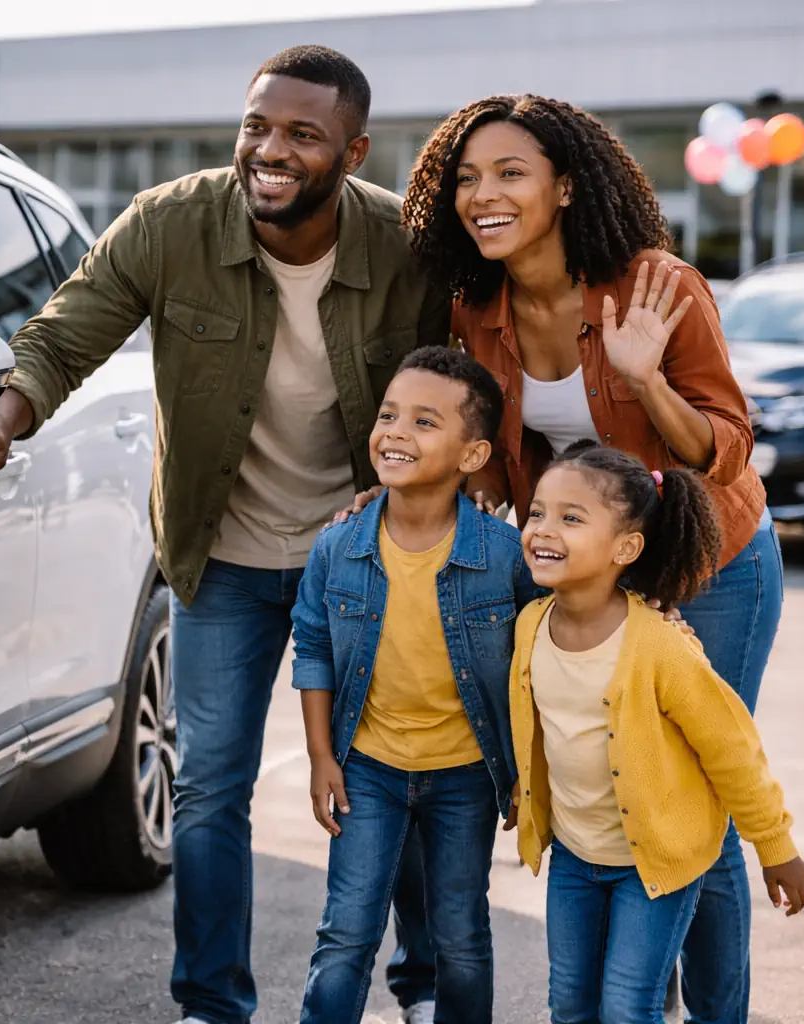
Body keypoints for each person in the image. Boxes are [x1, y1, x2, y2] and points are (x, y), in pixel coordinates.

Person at [0, 45, 451, 1024]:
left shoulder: (402, 247)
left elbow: (467, 375)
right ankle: (212, 1002)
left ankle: (421, 992)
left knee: (395, 784)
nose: (271, 150)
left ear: (352, 150)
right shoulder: (171, 223)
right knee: (210, 787)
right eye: (258, 125)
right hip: (226, 555)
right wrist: (2, 418)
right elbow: (69, 329)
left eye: (303, 134)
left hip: (367, 559)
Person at [399, 94, 783, 1023]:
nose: (481, 195)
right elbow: (484, 444)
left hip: (711, 566)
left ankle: (716, 1013)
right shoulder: (474, 306)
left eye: (509, 173)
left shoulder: (656, 285)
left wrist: (647, 377)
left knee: (697, 806)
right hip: (588, 576)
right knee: (601, 797)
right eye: (466, 179)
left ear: (567, 187)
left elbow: (722, 450)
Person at [511, 442, 804, 1023]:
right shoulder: (531, 625)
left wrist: (775, 847)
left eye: (572, 518)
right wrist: (520, 795)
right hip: (575, 855)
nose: (543, 529)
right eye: (538, 512)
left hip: (656, 864)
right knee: (569, 1005)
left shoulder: (659, 647)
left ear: (625, 547)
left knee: (629, 1008)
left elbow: (732, 751)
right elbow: (537, 731)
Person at [291, 347, 536, 1023]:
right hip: (367, 770)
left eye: (425, 422)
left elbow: (536, 665)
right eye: (389, 414)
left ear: (471, 454)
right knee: (346, 935)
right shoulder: (338, 548)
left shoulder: (501, 556)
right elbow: (312, 650)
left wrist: (525, 772)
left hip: (465, 777)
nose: (395, 431)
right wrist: (321, 758)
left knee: (460, 937)